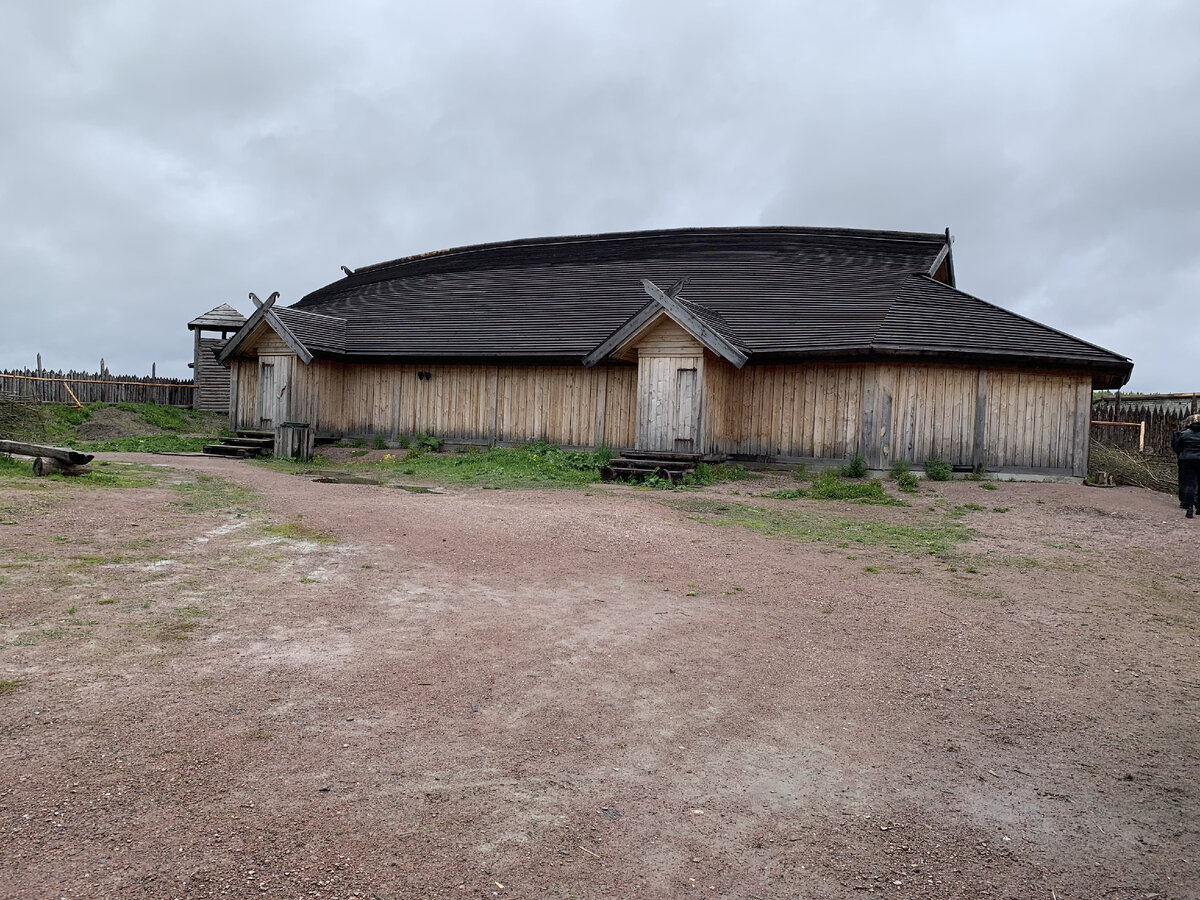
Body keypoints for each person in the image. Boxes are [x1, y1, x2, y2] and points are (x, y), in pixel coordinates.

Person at [1171, 413, 1200, 519]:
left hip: (1187, 460)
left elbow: (1178, 447)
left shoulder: (1184, 434)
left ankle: (1189, 508)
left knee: (1189, 484)